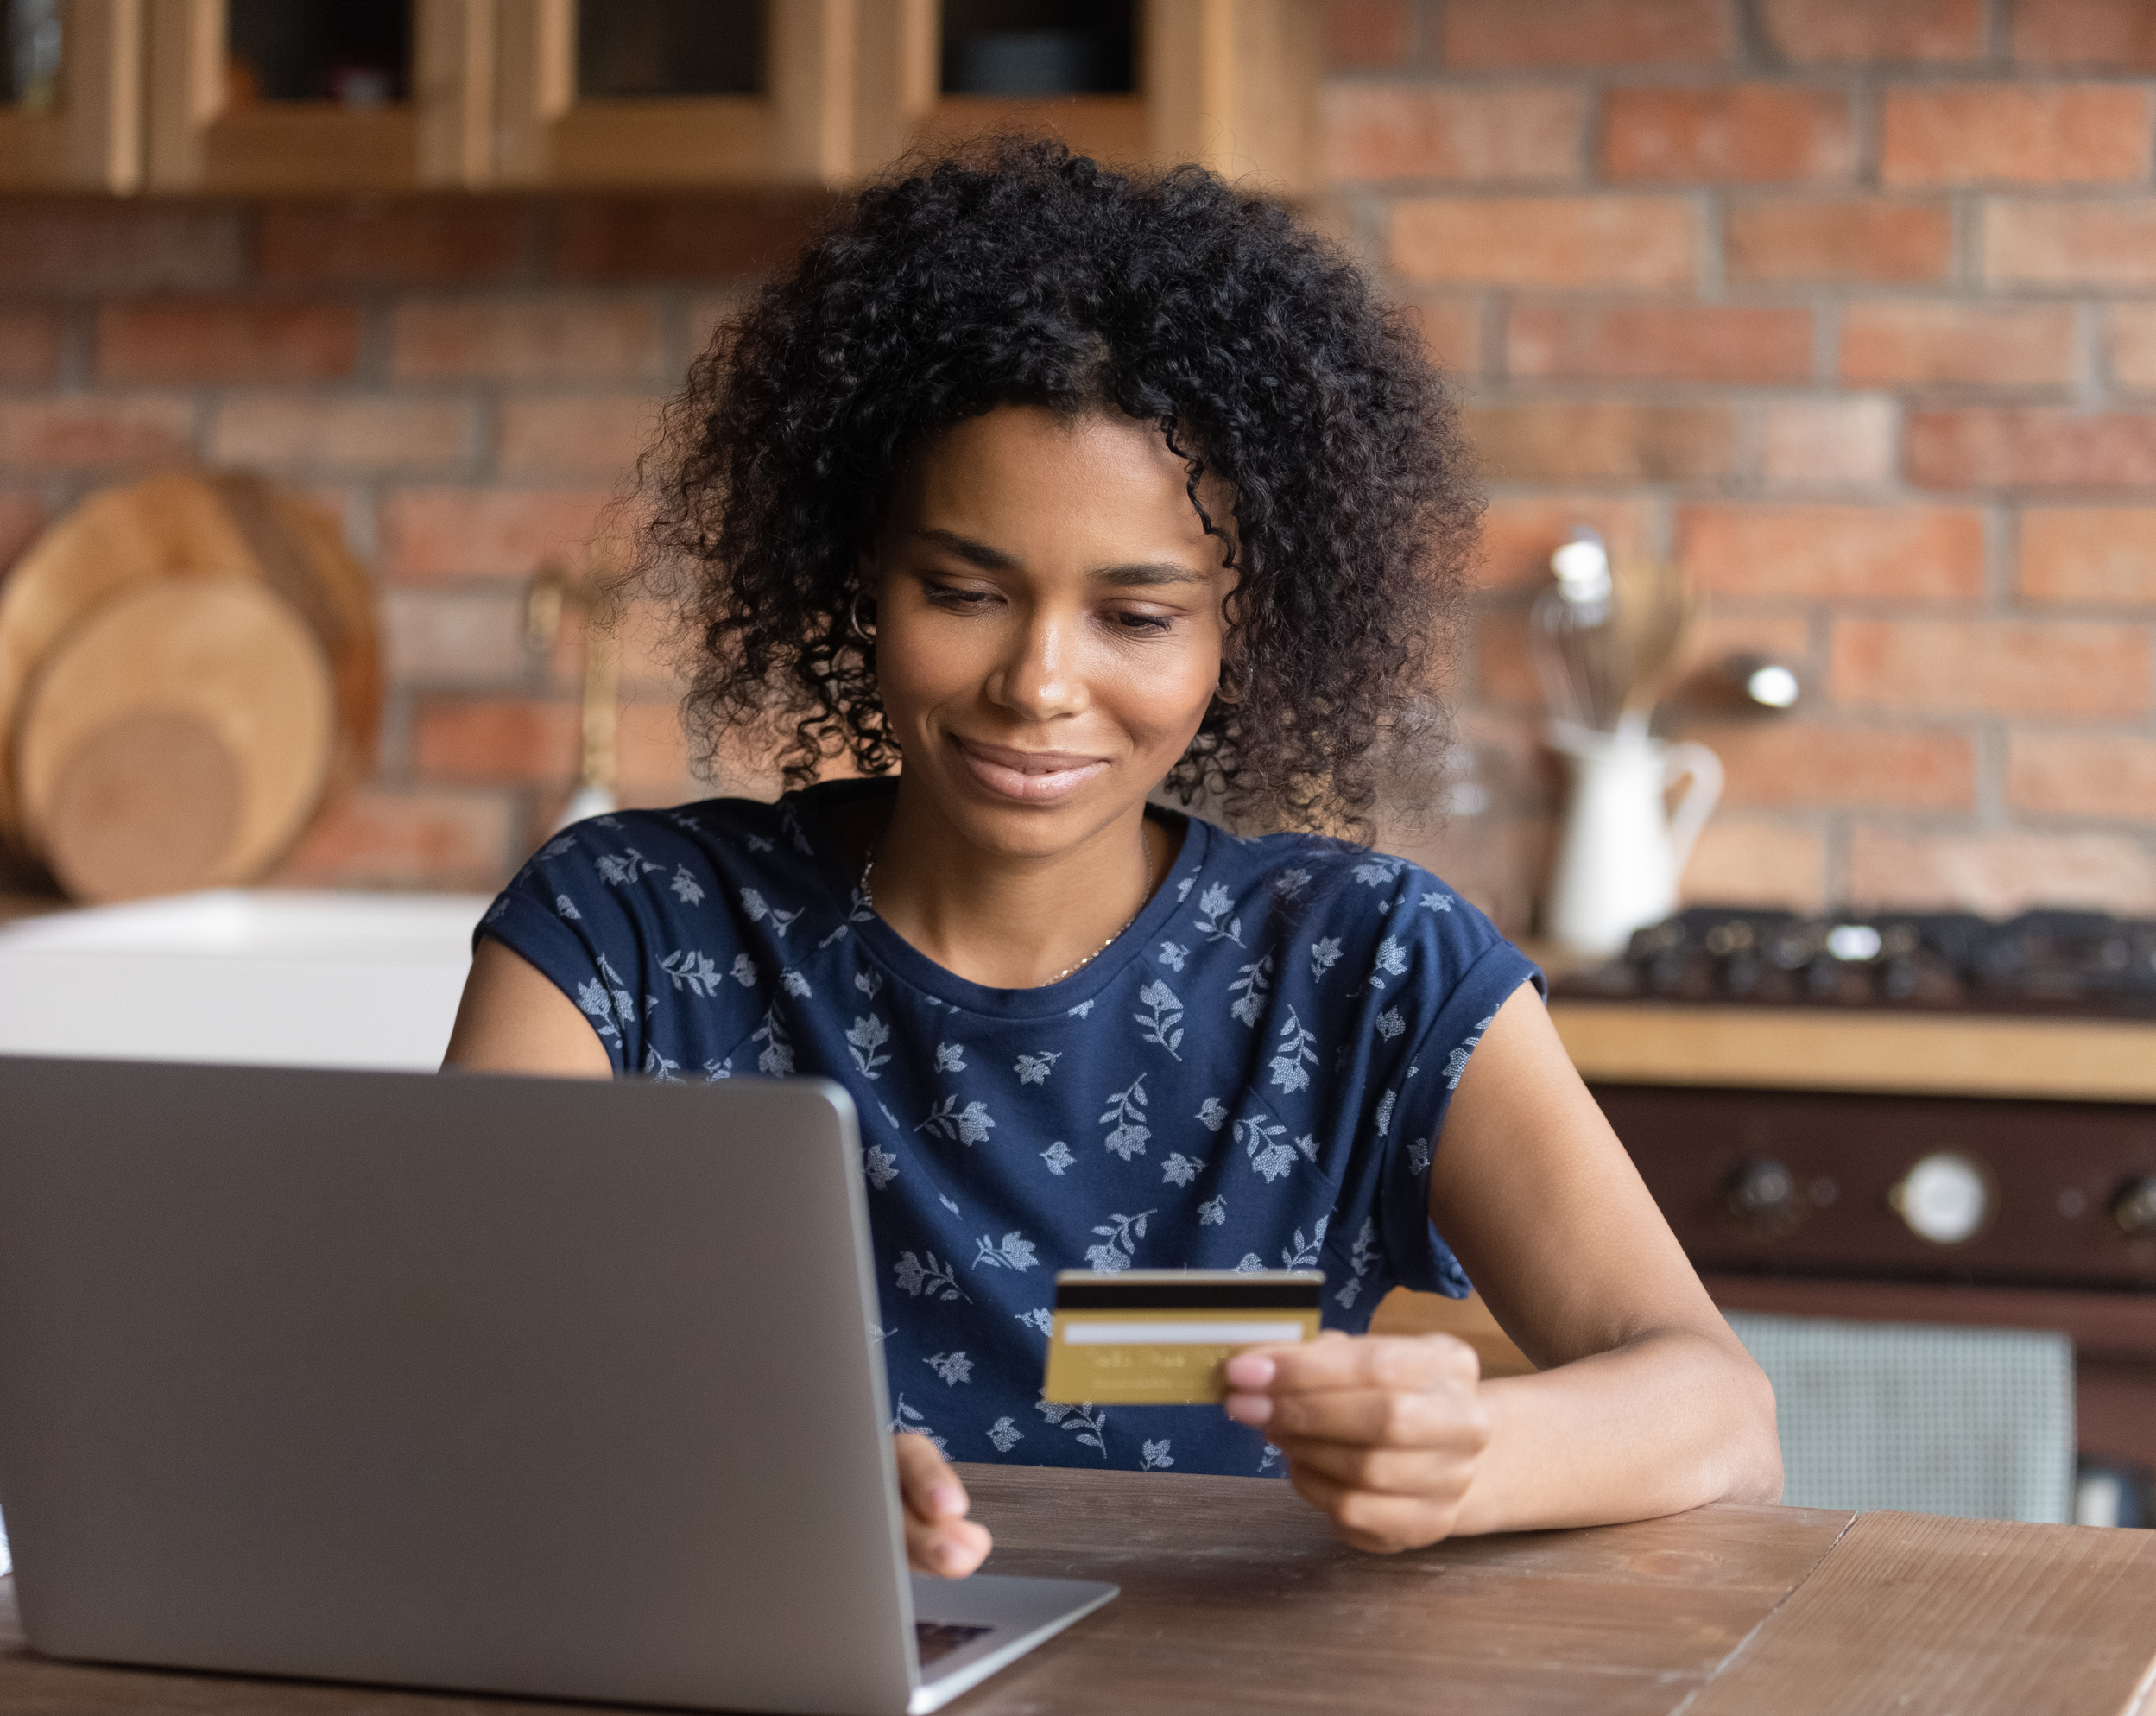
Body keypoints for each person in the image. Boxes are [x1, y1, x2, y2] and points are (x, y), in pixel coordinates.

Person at [446, 139, 1779, 1580]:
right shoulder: (626, 937)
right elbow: (433, 1366)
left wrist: (1470, 1457)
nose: (1039, 683)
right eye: (963, 592)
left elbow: (1720, 1414)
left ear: (1242, 629)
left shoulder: (1367, 966)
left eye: (1135, 618)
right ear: (857, 575)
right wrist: (737, 1471)